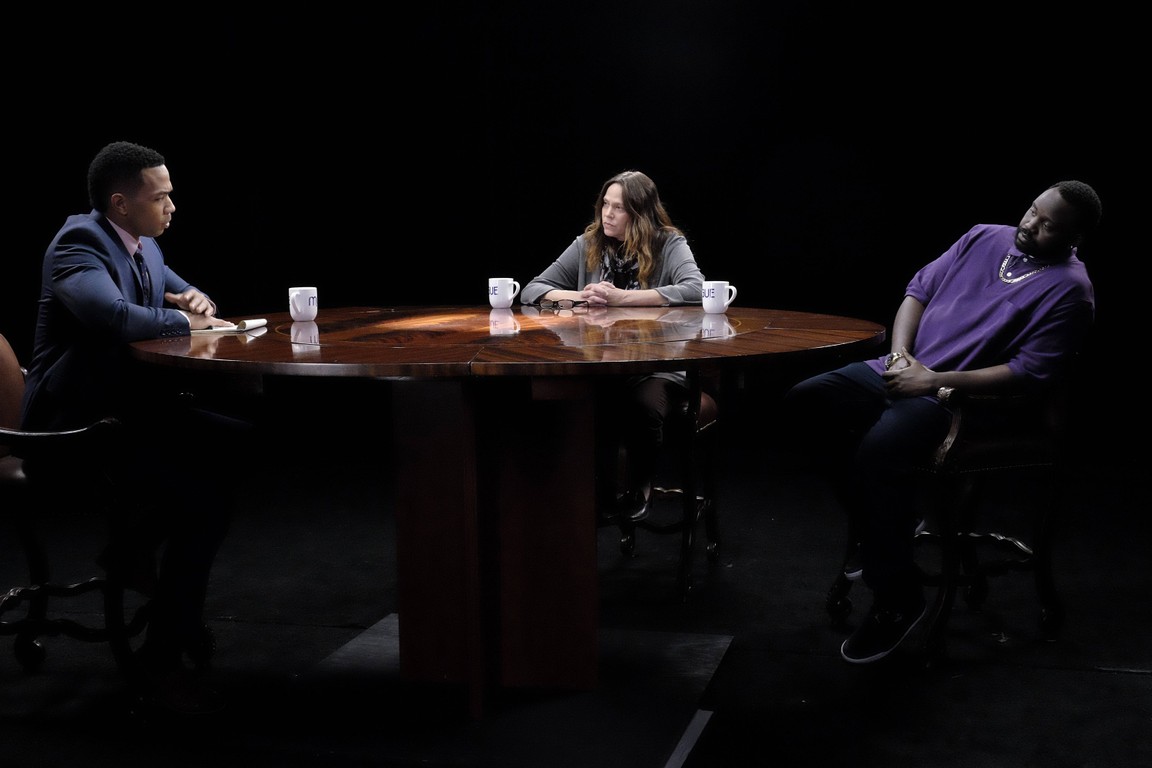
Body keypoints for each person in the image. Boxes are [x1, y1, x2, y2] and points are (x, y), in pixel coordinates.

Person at [782, 180, 1101, 664]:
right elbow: (917, 292)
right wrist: (900, 357)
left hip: (956, 399)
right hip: (903, 371)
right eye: (1033, 211)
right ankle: (883, 524)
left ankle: (897, 597)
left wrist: (932, 381)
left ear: (1074, 238)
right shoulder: (982, 236)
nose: (1031, 225)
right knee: (804, 403)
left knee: (877, 453)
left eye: (1048, 225)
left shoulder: (1071, 291)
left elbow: (1028, 372)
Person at [21, 140, 246, 713]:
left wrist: (193, 298)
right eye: (160, 197)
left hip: (129, 413)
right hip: (73, 424)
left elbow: (181, 291)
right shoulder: (79, 243)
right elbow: (111, 316)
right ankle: (165, 647)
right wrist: (186, 321)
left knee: (240, 446)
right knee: (204, 499)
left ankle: (135, 553)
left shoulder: (142, 245)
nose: (172, 206)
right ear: (120, 203)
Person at [520, 169, 705, 521]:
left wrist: (623, 298)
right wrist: (581, 296)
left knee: (643, 406)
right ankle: (600, 493)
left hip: (657, 364)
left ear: (640, 213)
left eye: (618, 208)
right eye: (605, 204)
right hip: (602, 364)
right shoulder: (588, 243)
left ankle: (641, 487)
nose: (607, 214)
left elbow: (696, 288)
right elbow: (532, 291)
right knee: (585, 401)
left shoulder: (668, 243)